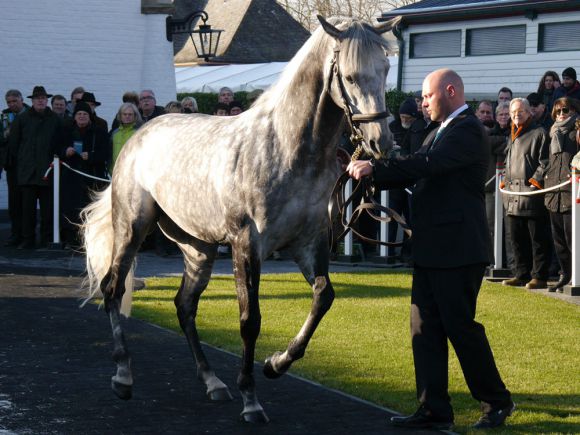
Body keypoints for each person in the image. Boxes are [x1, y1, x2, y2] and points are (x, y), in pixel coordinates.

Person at [347, 69, 514, 430]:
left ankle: (496, 402)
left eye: (427, 95)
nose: (422, 102)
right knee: (424, 331)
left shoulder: (467, 129)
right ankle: (433, 408)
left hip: (458, 250)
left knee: (460, 329)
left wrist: (374, 169)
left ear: (450, 91)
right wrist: (372, 168)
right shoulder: (440, 132)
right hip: (432, 248)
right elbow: (413, 170)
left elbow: (427, 165)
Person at [501, 98, 551, 289]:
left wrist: (534, 182)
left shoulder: (539, 133)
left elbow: (545, 162)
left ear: (530, 112)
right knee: (517, 238)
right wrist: (505, 179)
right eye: (513, 113)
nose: (516, 115)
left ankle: (539, 276)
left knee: (537, 239)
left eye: (520, 112)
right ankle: (521, 274)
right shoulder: (512, 134)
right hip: (512, 194)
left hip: (531, 195)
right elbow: (508, 161)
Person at [8, 86, 64, 249]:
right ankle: (28, 238)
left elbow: (59, 143)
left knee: (47, 210)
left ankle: (46, 238)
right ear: (32, 101)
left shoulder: (55, 119)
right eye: (37, 98)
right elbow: (14, 143)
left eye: (43, 98)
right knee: (27, 210)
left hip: (48, 171)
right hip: (28, 172)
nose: (40, 100)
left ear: (47, 101)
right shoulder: (22, 119)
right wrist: (24, 161)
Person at [59, 101, 110, 248]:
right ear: (74, 116)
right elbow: (55, 148)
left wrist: (92, 156)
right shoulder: (66, 130)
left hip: (91, 176)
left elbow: (105, 153)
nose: (82, 116)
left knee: (90, 209)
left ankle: (89, 240)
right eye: (79, 114)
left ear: (90, 116)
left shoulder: (99, 132)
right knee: (70, 209)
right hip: (71, 177)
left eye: (85, 114)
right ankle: (71, 239)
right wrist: (65, 151)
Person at [544, 98, 580, 292]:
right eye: (557, 111)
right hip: (553, 190)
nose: (560, 114)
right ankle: (565, 275)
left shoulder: (577, 132)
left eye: (565, 110)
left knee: (572, 237)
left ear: (574, 110)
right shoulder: (553, 132)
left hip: (572, 191)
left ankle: (577, 275)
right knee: (558, 240)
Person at [1, 89, 29, 247]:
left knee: (27, 201)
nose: (12, 105)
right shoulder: (4, 116)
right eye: (9, 102)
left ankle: (26, 235)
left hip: (27, 164)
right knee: (14, 201)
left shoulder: (29, 115)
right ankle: (15, 233)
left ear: (21, 100)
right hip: (12, 164)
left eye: (14, 101)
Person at [110, 103, 142, 174]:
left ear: (135, 116)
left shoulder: (139, 133)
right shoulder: (115, 133)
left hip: (132, 173)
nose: (127, 116)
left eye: (130, 114)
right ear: (120, 116)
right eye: (124, 114)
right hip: (115, 172)